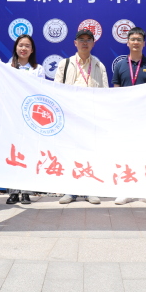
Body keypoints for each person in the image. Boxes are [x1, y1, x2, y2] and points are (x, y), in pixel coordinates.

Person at [54, 28, 108, 205]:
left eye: (88, 39)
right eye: (81, 39)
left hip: (91, 116)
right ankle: (70, 191)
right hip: (70, 116)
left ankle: (89, 190)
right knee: (70, 152)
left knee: (90, 152)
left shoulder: (99, 65)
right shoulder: (65, 64)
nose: (85, 43)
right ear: (75, 43)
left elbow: (105, 93)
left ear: (93, 43)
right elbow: (56, 90)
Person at [112, 27, 146, 205]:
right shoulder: (120, 65)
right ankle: (126, 190)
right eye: (132, 39)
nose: (135, 42)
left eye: (139, 39)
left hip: (145, 117)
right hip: (126, 118)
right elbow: (116, 92)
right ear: (127, 42)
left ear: (144, 43)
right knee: (126, 153)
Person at [6, 34, 46, 205]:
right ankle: (13, 192)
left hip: (32, 116)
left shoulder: (38, 69)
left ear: (32, 50)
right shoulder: (7, 67)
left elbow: (42, 92)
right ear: (16, 47)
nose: (23, 48)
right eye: (20, 45)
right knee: (12, 153)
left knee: (29, 152)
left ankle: (26, 192)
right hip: (12, 114)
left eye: (27, 46)